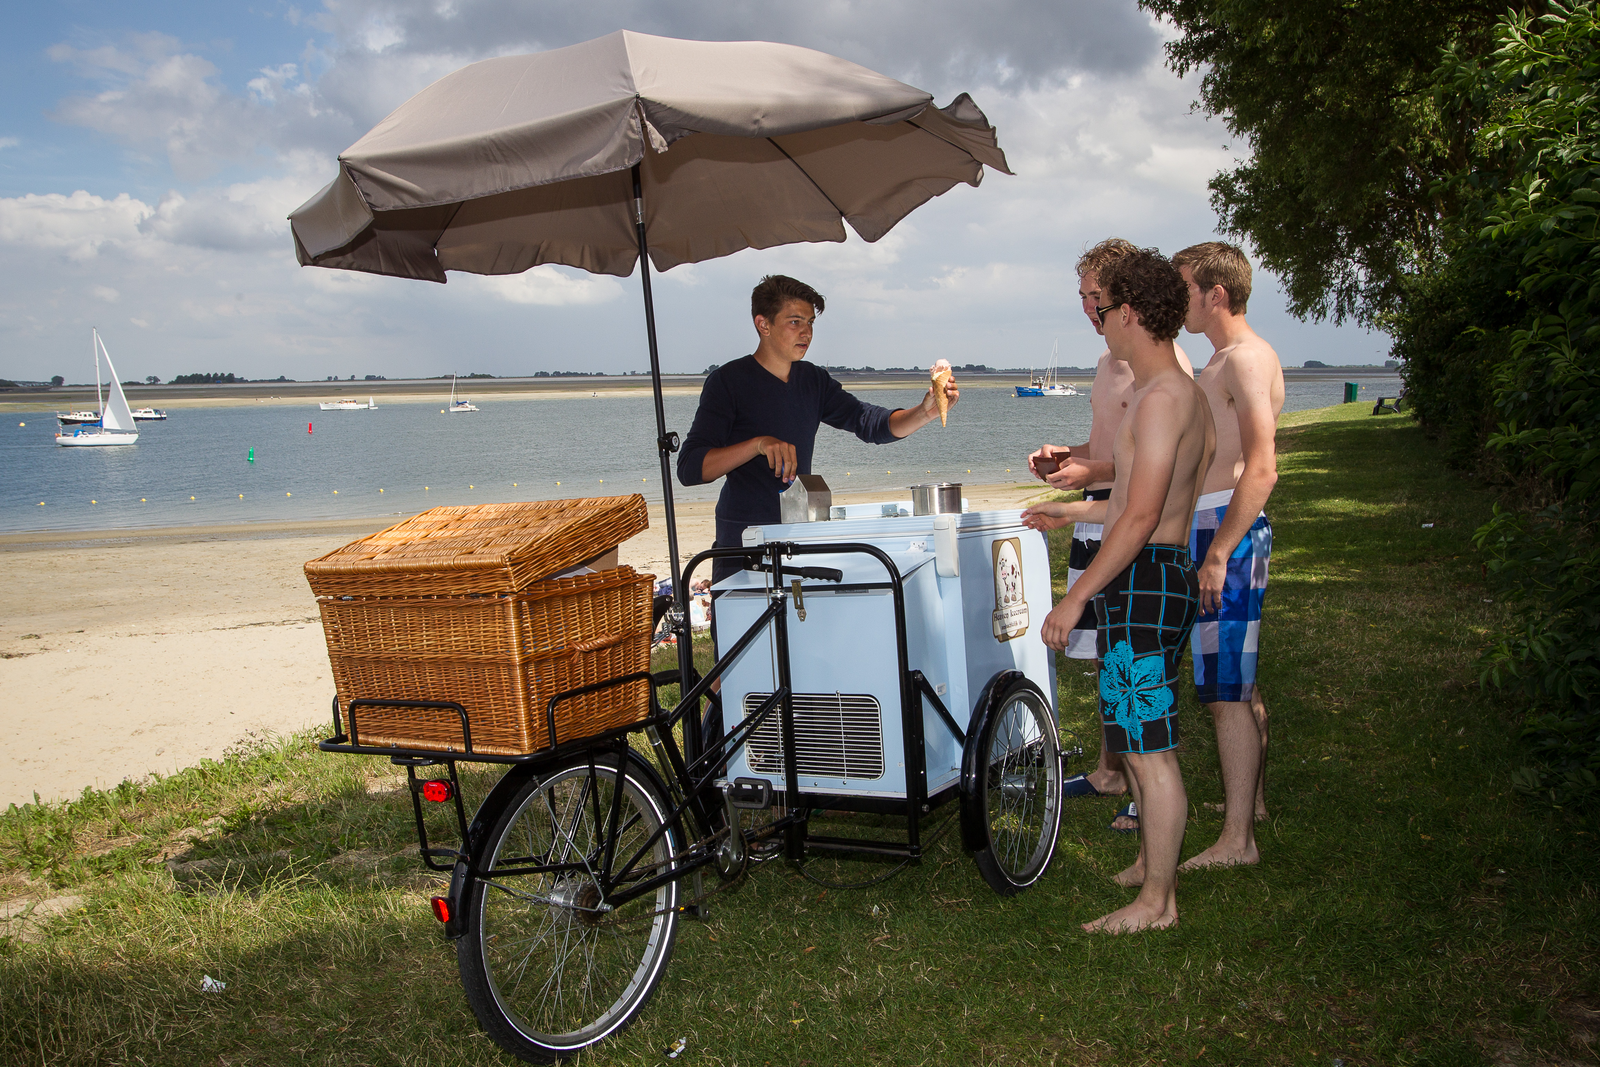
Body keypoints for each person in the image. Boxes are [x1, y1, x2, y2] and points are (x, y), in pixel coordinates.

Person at [677, 275, 958, 750]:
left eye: (809, 322)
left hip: (797, 539)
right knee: (737, 667)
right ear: (761, 324)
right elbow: (690, 468)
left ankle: (799, 772)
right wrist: (756, 445)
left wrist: (926, 410)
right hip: (740, 543)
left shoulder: (812, 381)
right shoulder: (728, 382)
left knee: (797, 660)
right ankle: (715, 767)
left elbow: (870, 423)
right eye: (793, 321)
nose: (805, 332)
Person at [1023, 248, 1215, 933]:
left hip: (1146, 581)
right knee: (1137, 734)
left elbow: (1140, 517)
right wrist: (1067, 513)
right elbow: (1137, 502)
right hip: (1153, 576)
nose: (1096, 320)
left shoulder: (1165, 398)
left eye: (1100, 307)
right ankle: (1148, 865)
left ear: (1129, 312)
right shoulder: (1168, 394)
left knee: (1147, 747)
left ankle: (1157, 902)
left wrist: (1075, 599)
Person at [1170, 241, 1284, 873]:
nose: (1177, 300)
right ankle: (1253, 805)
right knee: (1236, 674)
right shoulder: (1221, 360)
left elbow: (1261, 467)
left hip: (1226, 529)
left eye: (1184, 287)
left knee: (1225, 692)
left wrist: (1218, 553)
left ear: (1216, 293)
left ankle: (1237, 840)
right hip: (1210, 524)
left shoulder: (1244, 359)